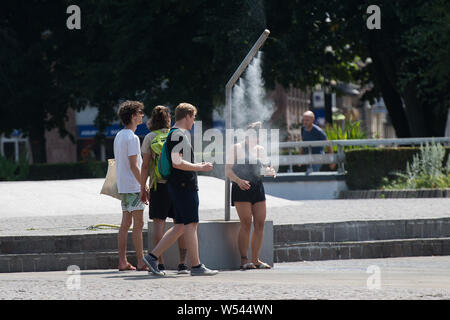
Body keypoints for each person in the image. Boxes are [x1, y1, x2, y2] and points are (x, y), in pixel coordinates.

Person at [143, 102, 218, 276]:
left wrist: (197, 165)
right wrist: (200, 167)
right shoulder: (178, 135)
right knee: (191, 224)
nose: (193, 121)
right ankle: (196, 266)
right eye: (193, 117)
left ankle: (152, 256)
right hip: (183, 186)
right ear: (187, 116)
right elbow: (177, 162)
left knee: (181, 226)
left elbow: (177, 161)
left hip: (178, 186)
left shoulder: (173, 134)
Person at [140, 105, 189, 274]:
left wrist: (142, 187)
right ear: (169, 119)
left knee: (159, 224)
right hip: (176, 185)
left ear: (152, 119)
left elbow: (145, 166)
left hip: (157, 186)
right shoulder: (175, 135)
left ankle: (159, 263)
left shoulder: (149, 137)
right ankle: (182, 264)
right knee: (180, 224)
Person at [225, 121, 276, 270]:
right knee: (246, 223)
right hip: (241, 187)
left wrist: (270, 170)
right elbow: (227, 170)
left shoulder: (260, 149)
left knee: (260, 223)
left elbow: (267, 166)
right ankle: (244, 259)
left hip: (257, 187)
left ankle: (256, 259)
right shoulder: (236, 148)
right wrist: (238, 181)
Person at [113, 100, 149, 271]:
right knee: (138, 223)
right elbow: (134, 165)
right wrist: (144, 185)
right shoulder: (132, 137)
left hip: (123, 186)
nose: (142, 115)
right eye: (140, 113)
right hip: (134, 186)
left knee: (125, 223)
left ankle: (122, 260)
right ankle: (141, 261)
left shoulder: (119, 136)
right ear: (134, 116)